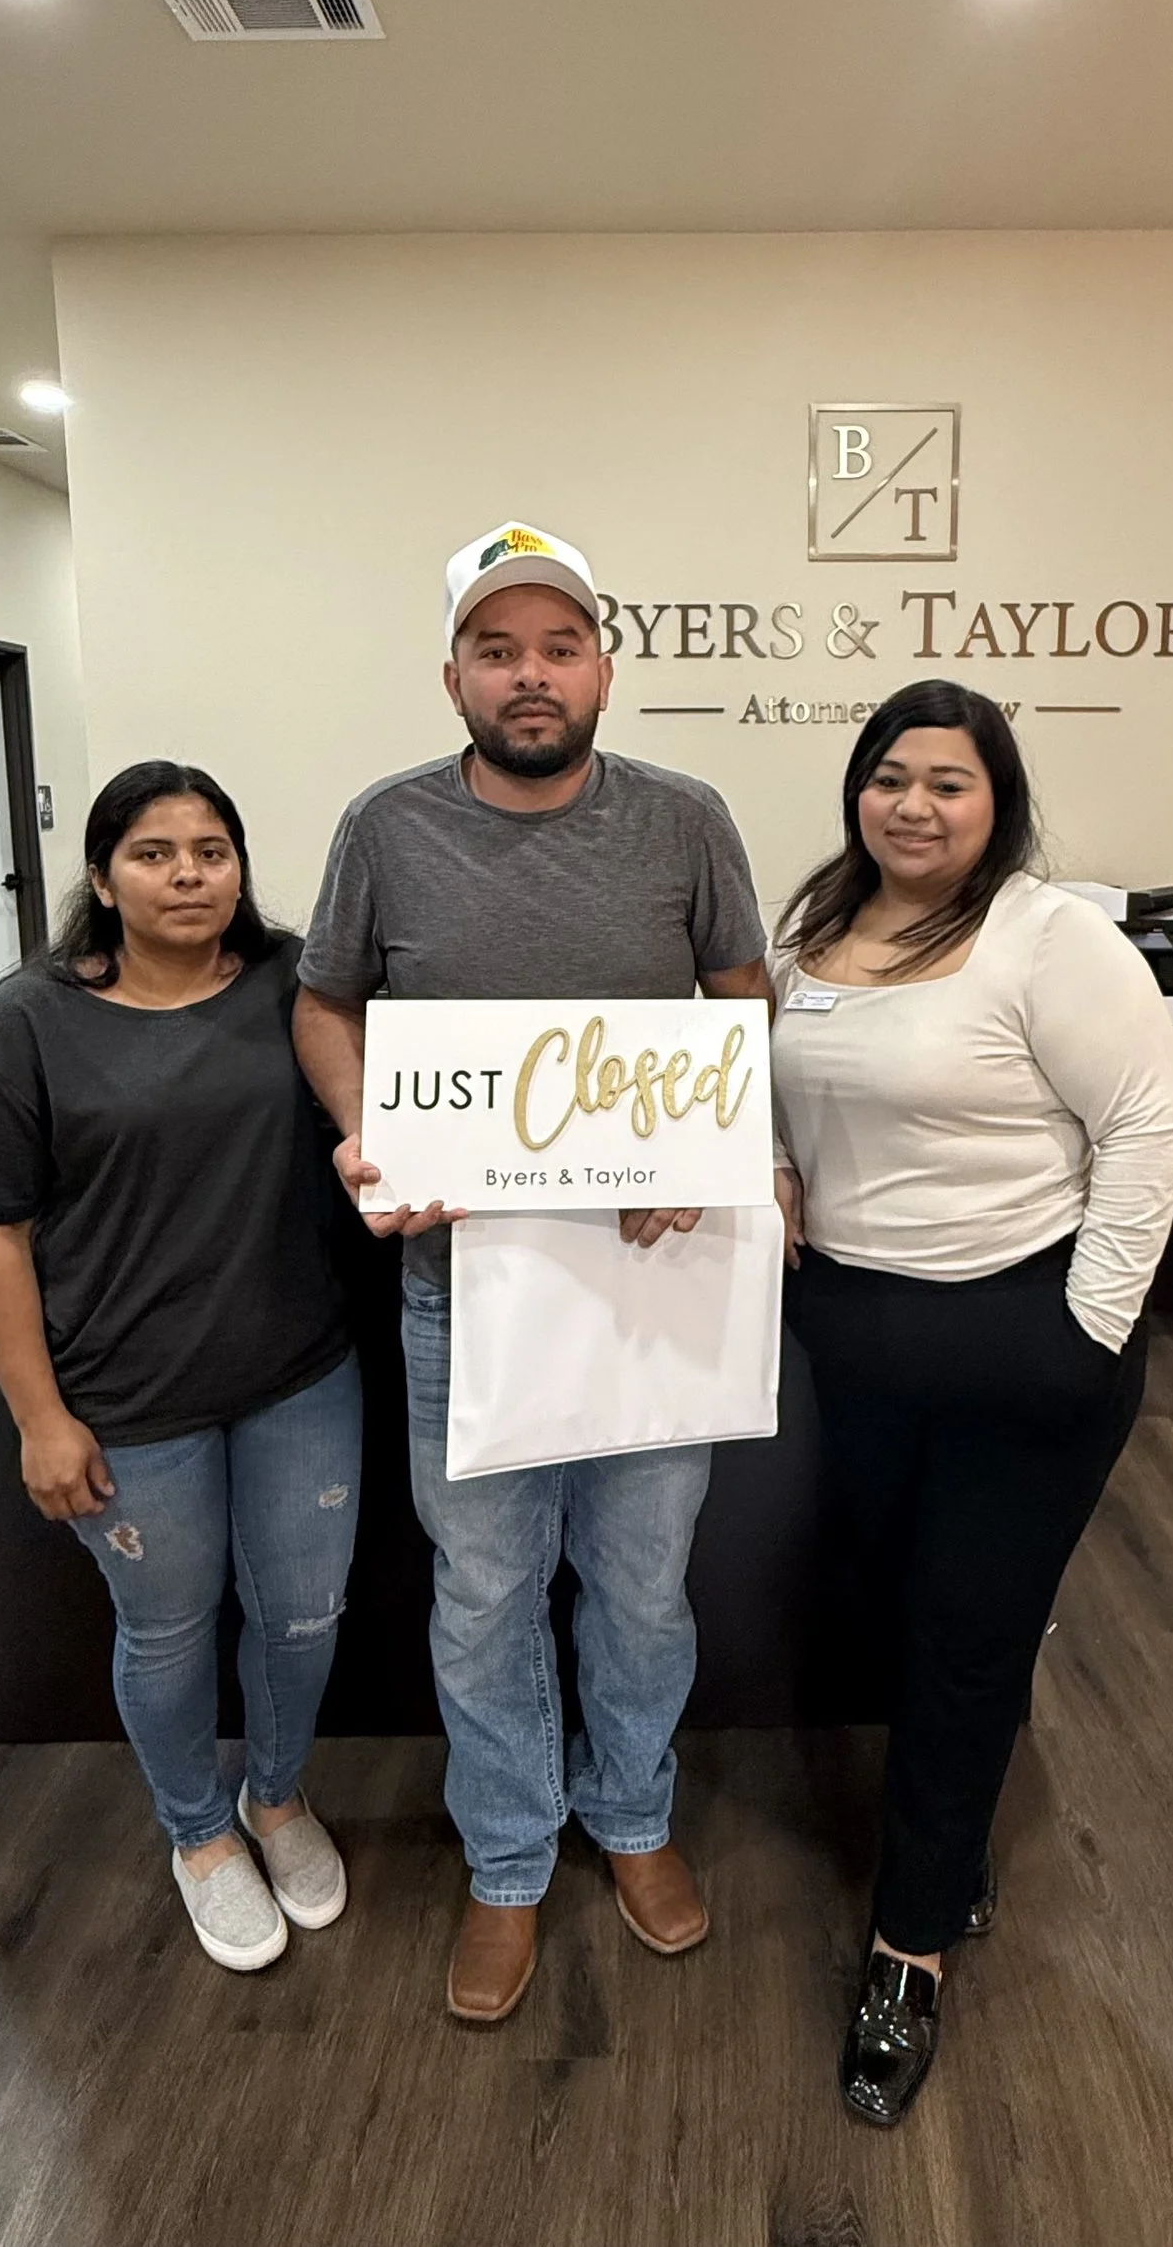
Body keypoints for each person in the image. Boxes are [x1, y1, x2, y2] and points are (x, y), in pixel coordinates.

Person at [291, 520, 771, 2025]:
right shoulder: (385, 828)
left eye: (558, 645)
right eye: (498, 650)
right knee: (485, 1590)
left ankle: (631, 1821)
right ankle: (507, 1859)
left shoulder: (687, 820)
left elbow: (741, 998)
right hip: (461, 1278)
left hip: (654, 1283)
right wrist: (368, 1129)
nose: (531, 675)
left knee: (641, 1586)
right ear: (455, 675)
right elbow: (325, 1005)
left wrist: (699, 1154)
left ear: (605, 668)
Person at [769, 679, 1173, 2124]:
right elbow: (776, 1096)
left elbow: (1147, 1125)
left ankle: (911, 1947)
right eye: (891, 776)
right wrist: (771, 1172)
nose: (915, 804)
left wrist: (1092, 1326)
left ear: (997, 799)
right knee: (903, 1603)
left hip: (1026, 1328)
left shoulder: (1049, 935)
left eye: (950, 781)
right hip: (856, 1325)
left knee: (964, 1632)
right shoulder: (813, 925)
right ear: (857, 790)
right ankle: (955, 1839)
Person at [0, 761, 361, 1975]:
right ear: (104, 876)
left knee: (303, 1616)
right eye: (156, 853)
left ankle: (276, 1800)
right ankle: (200, 1834)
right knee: (166, 1631)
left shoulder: (292, 986)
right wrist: (38, 1419)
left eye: (211, 851)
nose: (188, 875)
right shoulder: (29, 1019)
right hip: (124, 1401)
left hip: (299, 1378)